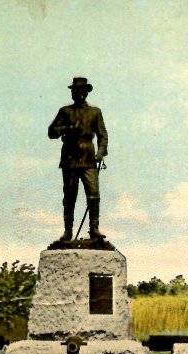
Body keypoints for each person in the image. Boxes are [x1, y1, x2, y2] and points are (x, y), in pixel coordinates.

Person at [48, 77, 108, 241]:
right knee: (69, 195)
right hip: (69, 158)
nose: (76, 93)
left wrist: (101, 153)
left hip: (89, 158)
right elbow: (51, 132)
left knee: (94, 195)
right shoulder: (65, 111)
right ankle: (68, 231)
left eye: (79, 90)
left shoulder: (95, 112)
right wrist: (67, 127)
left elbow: (103, 136)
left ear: (86, 92)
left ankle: (94, 229)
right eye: (74, 90)